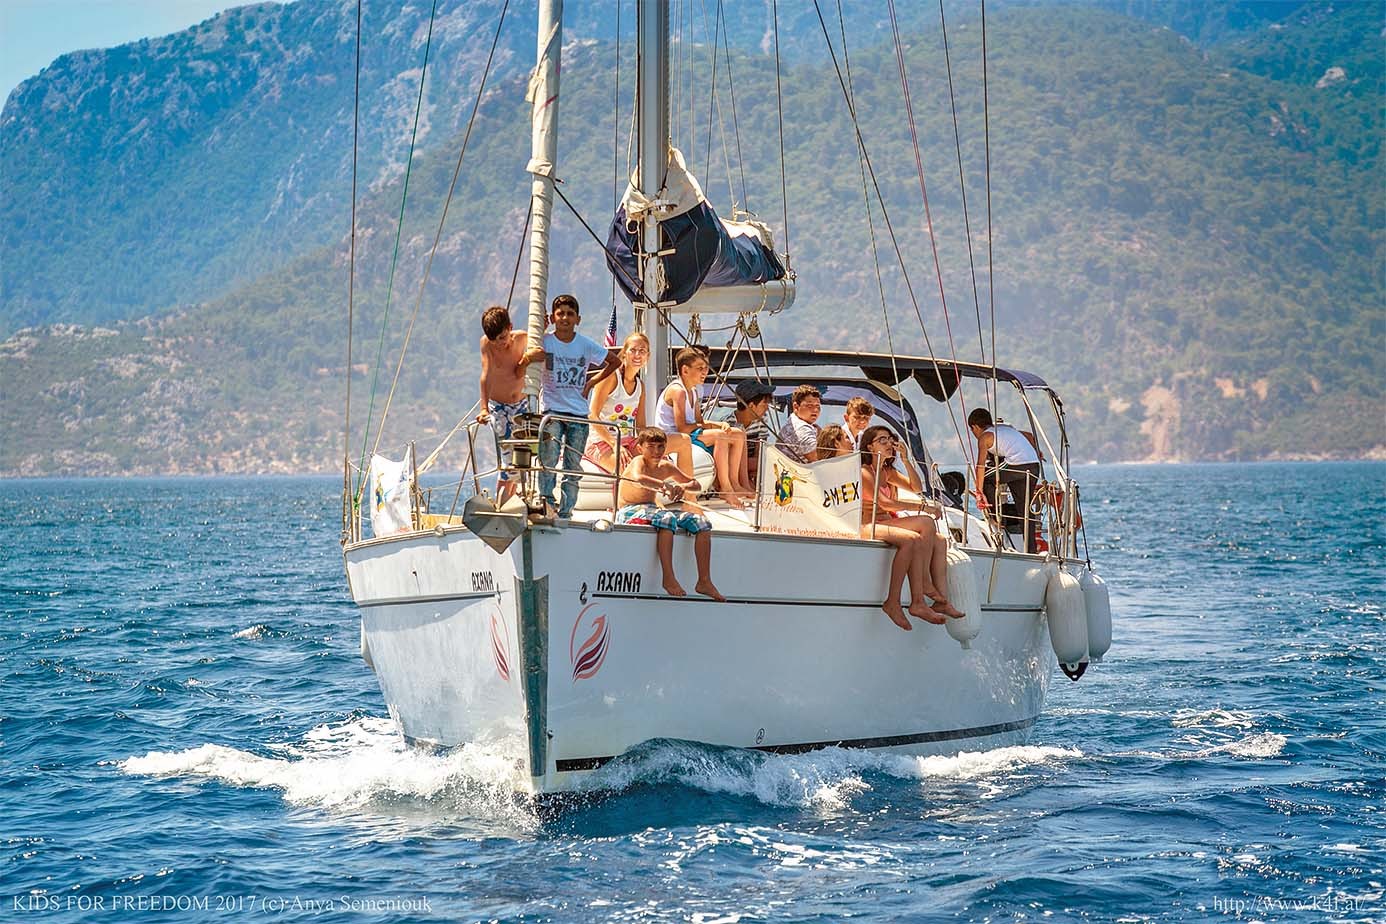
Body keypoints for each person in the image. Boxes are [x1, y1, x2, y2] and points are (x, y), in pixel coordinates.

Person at [521, 294, 620, 520]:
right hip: (552, 412)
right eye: (560, 313)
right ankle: (547, 504)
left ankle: (566, 511)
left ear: (578, 319)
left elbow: (615, 361)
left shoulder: (585, 344)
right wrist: (533, 345)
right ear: (553, 318)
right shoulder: (545, 342)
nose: (565, 318)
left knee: (572, 465)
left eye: (570, 314)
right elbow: (524, 348)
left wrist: (592, 382)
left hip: (578, 414)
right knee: (548, 459)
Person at [859, 425, 964, 629]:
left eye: (890, 439)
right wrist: (923, 507)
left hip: (886, 521)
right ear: (870, 447)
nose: (889, 444)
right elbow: (885, 504)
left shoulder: (887, 471)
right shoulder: (865, 472)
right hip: (869, 524)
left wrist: (906, 460)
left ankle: (941, 601)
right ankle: (920, 587)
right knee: (924, 524)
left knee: (940, 541)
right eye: (882, 440)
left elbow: (916, 487)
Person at [615, 428, 725, 601]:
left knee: (702, 523)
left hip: (651, 509)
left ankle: (704, 581)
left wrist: (683, 487)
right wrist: (664, 485)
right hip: (629, 509)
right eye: (651, 447)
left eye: (661, 447)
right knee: (667, 518)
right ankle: (668, 577)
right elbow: (638, 478)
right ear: (640, 448)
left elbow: (695, 484)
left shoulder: (665, 466)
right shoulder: (638, 461)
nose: (656, 451)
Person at [657, 347, 754, 505]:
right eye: (700, 368)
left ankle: (737, 484)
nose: (705, 372)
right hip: (673, 437)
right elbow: (682, 428)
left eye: (706, 368)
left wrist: (719, 424)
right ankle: (725, 489)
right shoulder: (678, 391)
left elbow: (699, 421)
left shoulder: (694, 391)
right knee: (720, 436)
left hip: (690, 433)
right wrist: (713, 430)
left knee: (738, 434)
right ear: (685, 370)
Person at [477, 305, 539, 504]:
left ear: (510, 328)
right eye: (494, 340)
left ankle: (510, 502)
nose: (499, 343)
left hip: (521, 405)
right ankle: (502, 505)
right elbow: (486, 375)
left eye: (503, 337)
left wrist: (543, 325)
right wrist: (484, 408)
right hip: (500, 407)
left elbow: (539, 340)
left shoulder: (522, 338)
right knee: (508, 462)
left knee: (521, 459)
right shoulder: (487, 344)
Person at [967, 407, 1042, 552]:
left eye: (972, 430)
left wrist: (979, 492)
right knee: (1024, 509)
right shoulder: (1004, 429)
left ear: (975, 427)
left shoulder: (984, 437)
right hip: (1033, 466)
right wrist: (1037, 451)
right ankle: (1031, 550)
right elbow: (1029, 435)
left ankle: (996, 517)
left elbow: (980, 466)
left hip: (1017, 465)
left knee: (986, 478)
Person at [586, 331, 649, 474]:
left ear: (647, 356)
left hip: (627, 441)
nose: (637, 355)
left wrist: (653, 442)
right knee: (629, 472)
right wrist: (615, 444)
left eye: (642, 351)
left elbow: (640, 426)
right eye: (633, 350)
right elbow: (592, 415)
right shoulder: (611, 377)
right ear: (624, 353)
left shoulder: (640, 386)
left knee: (656, 464)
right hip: (600, 442)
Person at [732, 379, 775, 487]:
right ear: (751, 406)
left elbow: (760, 450)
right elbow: (731, 460)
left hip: (752, 467)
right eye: (764, 403)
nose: (767, 408)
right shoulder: (730, 424)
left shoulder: (762, 420)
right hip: (734, 468)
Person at [776, 384, 822, 462]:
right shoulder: (801, 428)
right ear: (796, 407)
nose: (815, 410)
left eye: (818, 406)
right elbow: (817, 458)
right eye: (810, 406)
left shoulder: (793, 422)